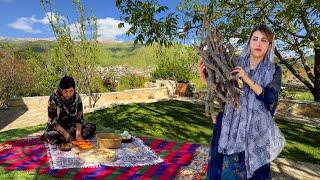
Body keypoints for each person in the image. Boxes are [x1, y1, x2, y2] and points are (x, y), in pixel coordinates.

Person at [199, 25, 285, 179]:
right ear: (249, 42)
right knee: (227, 172)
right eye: (255, 39)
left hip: (256, 131)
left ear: (269, 45)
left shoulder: (274, 70)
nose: (258, 44)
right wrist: (203, 76)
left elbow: (270, 98)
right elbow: (221, 90)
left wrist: (247, 79)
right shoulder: (234, 62)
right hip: (230, 126)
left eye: (263, 40)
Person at [40, 76, 96, 145]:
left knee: (92, 127)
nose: (68, 94)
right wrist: (65, 134)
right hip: (57, 129)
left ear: (74, 89)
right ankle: (68, 137)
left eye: (71, 91)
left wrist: (78, 134)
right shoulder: (54, 99)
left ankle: (72, 136)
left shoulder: (77, 98)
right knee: (53, 137)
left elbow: (79, 118)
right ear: (61, 90)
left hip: (71, 127)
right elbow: (54, 122)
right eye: (66, 91)